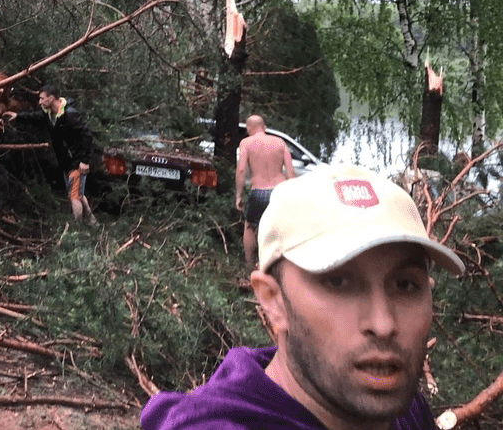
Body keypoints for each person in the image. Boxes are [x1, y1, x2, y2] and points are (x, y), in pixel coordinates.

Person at [141, 164, 465, 430]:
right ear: (273, 301)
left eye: (405, 285)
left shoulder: (400, 408)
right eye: (338, 281)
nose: (383, 325)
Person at [9, 84, 98, 223]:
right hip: (65, 161)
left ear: (51, 98)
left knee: (74, 196)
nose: (39, 102)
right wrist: (18, 116)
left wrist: (84, 161)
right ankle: (92, 222)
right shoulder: (49, 114)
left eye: (42, 98)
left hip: (77, 161)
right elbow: (36, 117)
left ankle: (77, 229)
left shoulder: (70, 114)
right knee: (77, 193)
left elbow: (86, 136)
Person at [234, 114, 295, 265]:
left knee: (250, 226)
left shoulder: (246, 143)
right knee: (279, 228)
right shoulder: (280, 142)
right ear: (264, 126)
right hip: (279, 191)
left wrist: (238, 195)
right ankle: (277, 266)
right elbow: (290, 171)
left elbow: (241, 170)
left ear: (249, 128)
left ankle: (249, 264)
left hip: (259, 192)